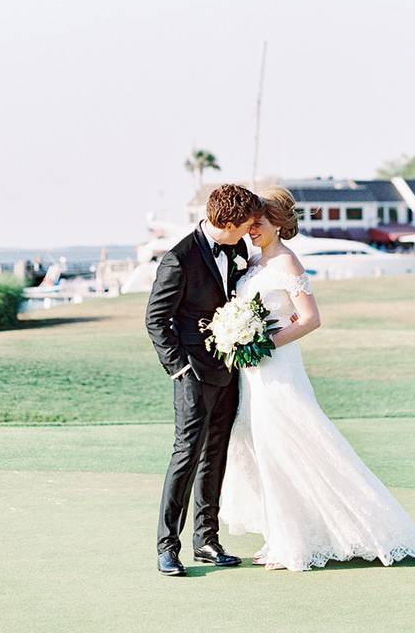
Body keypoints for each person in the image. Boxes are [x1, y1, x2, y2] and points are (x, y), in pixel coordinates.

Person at [219, 187, 415, 572]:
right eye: (250, 224)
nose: (251, 229)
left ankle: (314, 538)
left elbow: (311, 319)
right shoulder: (253, 261)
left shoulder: (287, 265)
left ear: (278, 223)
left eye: (258, 223)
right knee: (265, 452)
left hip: (278, 369)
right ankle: (282, 534)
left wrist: (261, 342)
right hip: (253, 376)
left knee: (292, 446)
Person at [145, 183, 263, 577]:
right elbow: (156, 319)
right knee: (186, 455)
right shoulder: (179, 259)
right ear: (227, 223)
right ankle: (167, 546)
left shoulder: (239, 249)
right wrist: (180, 368)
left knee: (216, 453)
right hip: (192, 373)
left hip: (230, 369)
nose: (250, 231)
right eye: (245, 225)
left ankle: (206, 540)